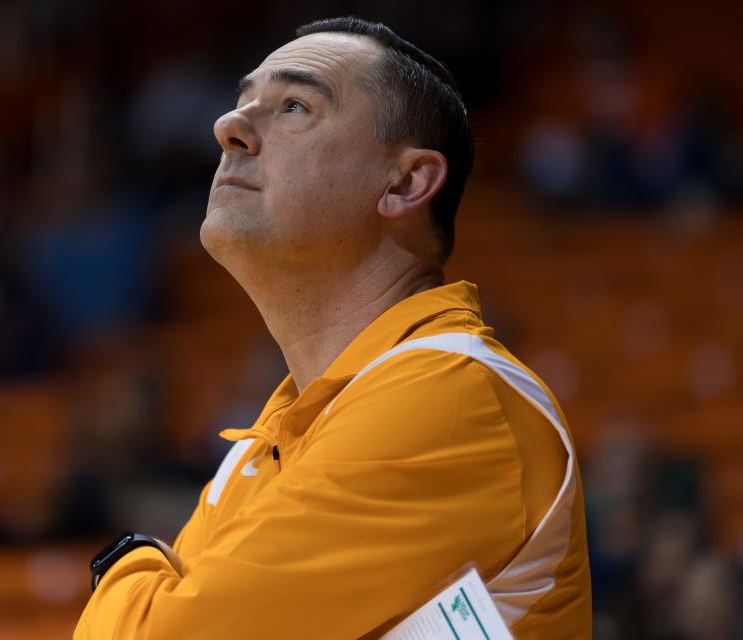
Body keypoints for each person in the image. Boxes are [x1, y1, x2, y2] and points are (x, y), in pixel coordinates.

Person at [75, 16, 591, 639]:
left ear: (404, 182)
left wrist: (130, 560)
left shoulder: (452, 394)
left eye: (294, 106)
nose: (228, 127)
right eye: (242, 103)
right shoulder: (262, 446)